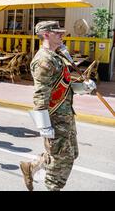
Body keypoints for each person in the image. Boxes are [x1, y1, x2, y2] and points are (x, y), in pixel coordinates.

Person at [19, 21, 95, 191]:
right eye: (57, 33)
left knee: (71, 153)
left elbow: (64, 85)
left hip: (66, 114)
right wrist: (44, 126)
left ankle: (32, 167)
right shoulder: (43, 61)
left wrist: (83, 87)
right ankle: (52, 187)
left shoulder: (57, 55)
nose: (62, 35)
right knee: (62, 159)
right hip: (54, 117)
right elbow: (40, 94)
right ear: (46, 35)